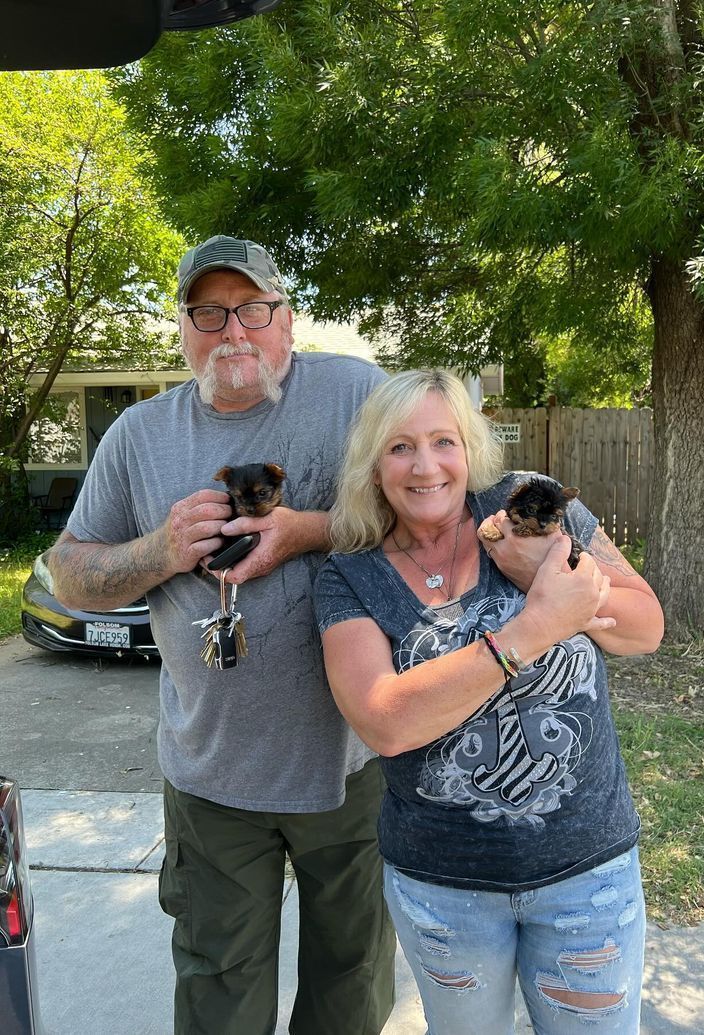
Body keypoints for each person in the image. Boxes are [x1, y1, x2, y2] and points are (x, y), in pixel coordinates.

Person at [48, 235, 396, 1035]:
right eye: (208, 312)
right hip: (213, 775)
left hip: (353, 760)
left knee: (352, 984)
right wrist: (160, 549)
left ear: (287, 318)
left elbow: (430, 512)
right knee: (218, 994)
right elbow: (69, 571)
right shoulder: (138, 436)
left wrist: (305, 529)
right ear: (181, 326)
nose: (233, 332)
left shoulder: (359, 396)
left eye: (252, 309)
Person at [314, 369, 664, 1035]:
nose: (425, 466)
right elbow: (385, 720)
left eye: (444, 440)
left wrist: (544, 577)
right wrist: (530, 628)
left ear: (470, 448)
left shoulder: (530, 505)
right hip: (444, 890)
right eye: (400, 447)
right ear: (373, 463)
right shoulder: (349, 575)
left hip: (587, 874)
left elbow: (646, 625)